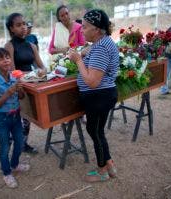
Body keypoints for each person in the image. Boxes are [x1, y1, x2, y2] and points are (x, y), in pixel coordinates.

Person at [68, 9, 119, 182]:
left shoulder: (101, 48)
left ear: (97, 30)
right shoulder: (102, 43)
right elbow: (94, 54)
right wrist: (84, 52)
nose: (81, 30)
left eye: (85, 27)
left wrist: (78, 60)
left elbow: (92, 81)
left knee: (94, 131)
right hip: (102, 95)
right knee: (97, 131)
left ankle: (102, 170)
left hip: (99, 96)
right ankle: (109, 163)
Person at [0, 48, 30, 188]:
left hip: (16, 116)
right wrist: (9, 91)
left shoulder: (14, 76)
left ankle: (15, 165)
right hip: (3, 119)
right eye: (1, 59)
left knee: (19, 143)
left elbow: (22, 97)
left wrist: (20, 89)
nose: (6, 60)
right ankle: (6, 173)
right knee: (5, 146)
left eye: (7, 57)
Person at [5, 13, 46, 154]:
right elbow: (12, 72)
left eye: (24, 24)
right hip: (16, 86)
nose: (23, 27)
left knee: (27, 118)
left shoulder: (31, 45)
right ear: (11, 29)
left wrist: (41, 71)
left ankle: (23, 144)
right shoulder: (9, 46)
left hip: (30, 85)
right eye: (18, 25)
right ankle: (10, 152)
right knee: (15, 119)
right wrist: (25, 79)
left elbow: (42, 66)